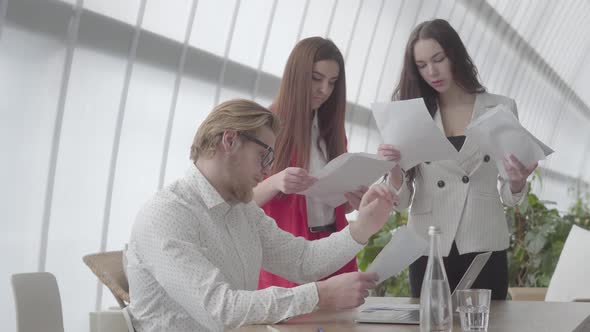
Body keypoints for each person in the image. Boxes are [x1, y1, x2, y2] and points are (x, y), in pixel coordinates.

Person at [126, 99, 398, 332]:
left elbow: (303, 261)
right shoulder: (165, 215)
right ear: (229, 140)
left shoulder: (242, 210)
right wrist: (320, 295)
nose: (268, 171)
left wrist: (362, 227)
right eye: (264, 156)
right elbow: (220, 310)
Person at [378, 19, 537, 300]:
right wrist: (393, 172)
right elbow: (402, 202)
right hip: (429, 243)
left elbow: (510, 195)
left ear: (456, 54)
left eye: (438, 59)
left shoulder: (499, 107)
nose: (432, 71)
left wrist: (516, 182)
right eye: (422, 65)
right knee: (431, 325)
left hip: (483, 240)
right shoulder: (411, 114)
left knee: (485, 324)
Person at [254, 36, 367, 290]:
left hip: (333, 250)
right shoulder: (264, 126)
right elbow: (239, 202)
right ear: (296, 75)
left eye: (332, 82)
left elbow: (334, 207)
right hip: (287, 258)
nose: (325, 90)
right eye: (316, 79)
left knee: (340, 326)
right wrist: (275, 182)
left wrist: (353, 201)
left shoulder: (332, 132)